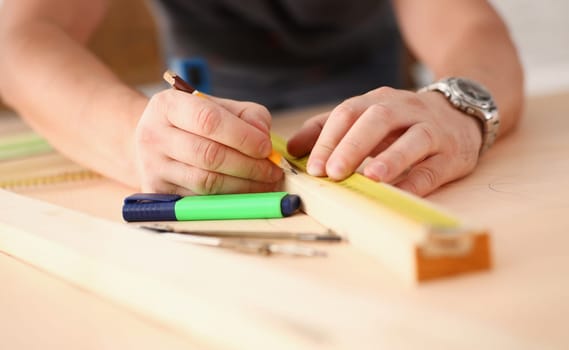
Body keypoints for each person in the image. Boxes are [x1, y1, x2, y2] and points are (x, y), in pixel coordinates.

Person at [0, 0, 524, 197]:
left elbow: (469, 24)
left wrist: (459, 105)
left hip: (370, 138)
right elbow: (16, 39)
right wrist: (131, 134)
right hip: (197, 128)